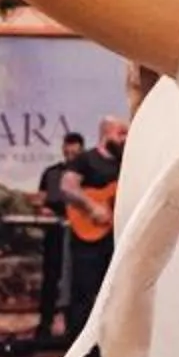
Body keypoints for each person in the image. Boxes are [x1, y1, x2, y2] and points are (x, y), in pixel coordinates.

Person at [63, 114, 128, 337]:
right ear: (106, 133)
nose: (125, 138)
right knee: (83, 290)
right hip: (88, 237)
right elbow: (68, 187)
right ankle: (76, 342)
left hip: (116, 237)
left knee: (112, 291)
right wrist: (92, 207)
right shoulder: (85, 160)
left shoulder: (126, 162)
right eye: (121, 133)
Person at [31, 130, 89, 347]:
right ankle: (44, 326)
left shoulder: (89, 172)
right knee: (51, 278)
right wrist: (42, 207)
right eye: (68, 150)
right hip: (55, 232)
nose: (71, 154)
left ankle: (74, 328)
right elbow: (42, 199)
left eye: (75, 151)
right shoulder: (51, 173)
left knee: (77, 282)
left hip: (81, 234)